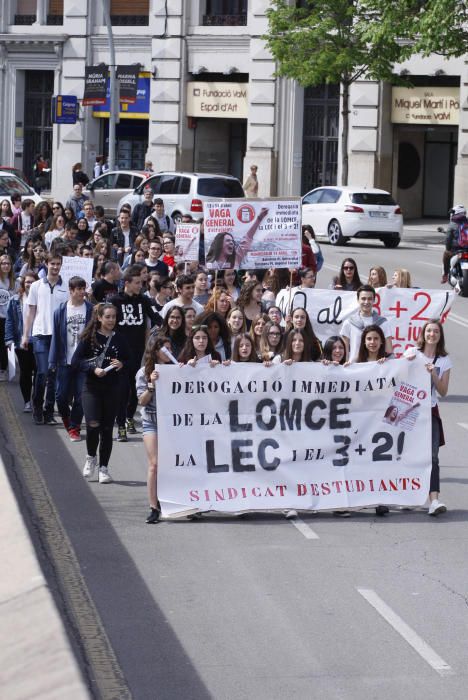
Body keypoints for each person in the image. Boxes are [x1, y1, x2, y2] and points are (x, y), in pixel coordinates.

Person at [72, 303, 129, 484]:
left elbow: (129, 358)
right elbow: (76, 361)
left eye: (114, 317)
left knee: (106, 429)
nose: (111, 320)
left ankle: (104, 468)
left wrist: (122, 364)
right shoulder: (89, 338)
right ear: (99, 318)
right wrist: (92, 369)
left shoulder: (120, 338)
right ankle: (91, 457)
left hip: (112, 388)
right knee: (93, 425)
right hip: (92, 388)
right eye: (108, 317)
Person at [109, 265, 161, 441]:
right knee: (122, 390)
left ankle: (130, 418)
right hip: (120, 354)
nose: (141, 286)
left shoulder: (144, 301)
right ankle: (121, 425)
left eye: (142, 282)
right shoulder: (115, 301)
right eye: (137, 283)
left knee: (134, 389)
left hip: (139, 353)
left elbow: (157, 319)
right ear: (127, 282)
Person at [408, 320, 452, 516]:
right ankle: (405, 494)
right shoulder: (412, 353)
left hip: (430, 411)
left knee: (432, 456)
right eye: (429, 331)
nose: (432, 334)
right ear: (423, 334)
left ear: (440, 335)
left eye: (435, 331)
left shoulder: (444, 361)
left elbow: (443, 391)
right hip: (409, 411)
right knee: (405, 453)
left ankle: (433, 500)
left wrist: (434, 374)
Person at [21, 252, 69, 424]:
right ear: (46, 264)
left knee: (53, 375)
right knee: (42, 372)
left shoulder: (66, 287)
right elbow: (30, 311)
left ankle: (49, 412)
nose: (55, 267)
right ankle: (37, 406)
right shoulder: (36, 286)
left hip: (60, 337)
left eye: (58, 264)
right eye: (52, 264)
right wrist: (25, 335)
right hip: (40, 334)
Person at [48, 276, 93, 441]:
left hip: (83, 361)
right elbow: (56, 338)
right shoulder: (60, 311)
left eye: (84, 289)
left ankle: (74, 427)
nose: (82, 292)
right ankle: (67, 419)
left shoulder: (91, 309)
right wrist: (52, 361)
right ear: (71, 290)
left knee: (81, 396)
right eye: (79, 289)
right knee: (60, 396)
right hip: (64, 361)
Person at [136, 336, 172, 524]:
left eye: (170, 349)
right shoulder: (144, 372)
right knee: (155, 464)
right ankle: (153, 506)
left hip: (172, 423)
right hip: (152, 421)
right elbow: (141, 401)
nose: (168, 353)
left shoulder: (175, 370)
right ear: (155, 351)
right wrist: (151, 385)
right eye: (164, 349)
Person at [5, 271, 38, 409]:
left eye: (32, 282)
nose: (30, 284)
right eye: (27, 282)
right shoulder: (15, 300)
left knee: (39, 372)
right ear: (23, 284)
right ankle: (27, 402)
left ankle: (37, 401)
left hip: (38, 342)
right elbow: (10, 321)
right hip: (22, 342)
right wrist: (9, 339)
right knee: (25, 372)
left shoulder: (42, 298)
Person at [340, 285, 393, 362]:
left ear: (374, 300)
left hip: (377, 368)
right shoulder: (349, 323)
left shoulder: (383, 323)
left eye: (370, 299)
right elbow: (344, 351)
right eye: (363, 299)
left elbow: (389, 352)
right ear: (358, 300)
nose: (366, 302)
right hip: (355, 367)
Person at [0, 255, 16, 381]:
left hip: (8, 318)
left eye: (8, 263)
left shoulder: (14, 282)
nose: (6, 266)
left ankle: (4, 369)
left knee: (6, 344)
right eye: (3, 263)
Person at [441, 204, 466, 283]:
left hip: (456, 250)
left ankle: (445, 275)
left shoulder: (452, 224)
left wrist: (448, 248)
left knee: (446, 254)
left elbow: (448, 238)